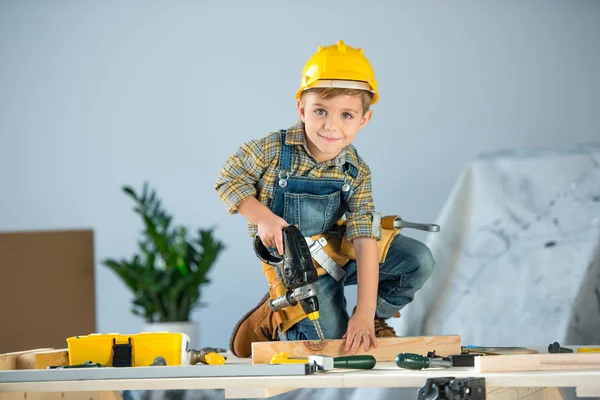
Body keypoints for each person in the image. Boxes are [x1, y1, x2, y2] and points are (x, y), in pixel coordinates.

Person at [215, 40, 435, 358]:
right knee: (330, 344)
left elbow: (363, 235)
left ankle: (372, 322)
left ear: (364, 120)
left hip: (336, 250)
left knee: (418, 261)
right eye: (320, 111)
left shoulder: (355, 169)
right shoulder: (271, 150)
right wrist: (262, 217)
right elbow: (228, 180)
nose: (331, 125)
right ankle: (276, 312)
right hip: (293, 264)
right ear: (301, 108)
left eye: (346, 115)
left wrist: (364, 309)